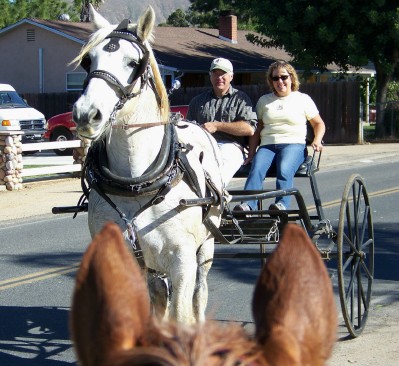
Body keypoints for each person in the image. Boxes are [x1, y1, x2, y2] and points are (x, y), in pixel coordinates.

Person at [235, 60, 325, 213]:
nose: (280, 81)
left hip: (294, 145)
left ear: (291, 78)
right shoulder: (264, 101)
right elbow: (258, 129)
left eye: (283, 77)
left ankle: (281, 205)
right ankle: (248, 206)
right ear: (271, 81)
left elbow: (318, 124)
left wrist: (317, 140)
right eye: (275, 78)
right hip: (268, 145)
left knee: (284, 169)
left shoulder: (303, 99)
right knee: (256, 169)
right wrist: (251, 154)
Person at [186, 58, 258, 185]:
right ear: (210, 76)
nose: (219, 77)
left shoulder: (241, 99)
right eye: (215, 73)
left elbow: (249, 128)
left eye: (223, 74)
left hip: (231, 147)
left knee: (219, 171)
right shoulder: (197, 101)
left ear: (231, 76)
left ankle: (215, 196)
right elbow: (188, 130)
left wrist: (218, 126)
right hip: (203, 146)